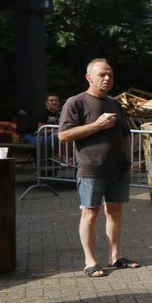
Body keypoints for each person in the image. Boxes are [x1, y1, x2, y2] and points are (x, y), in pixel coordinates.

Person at [57, 59, 140, 278]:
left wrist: (128, 161)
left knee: (114, 211)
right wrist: (97, 125)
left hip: (118, 169)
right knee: (90, 214)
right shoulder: (76, 102)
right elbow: (63, 135)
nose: (107, 78)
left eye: (110, 75)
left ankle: (115, 256)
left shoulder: (115, 104)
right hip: (92, 169)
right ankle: (90, 261)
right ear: (89, 77)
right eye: (102, 74)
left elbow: (125, 135)